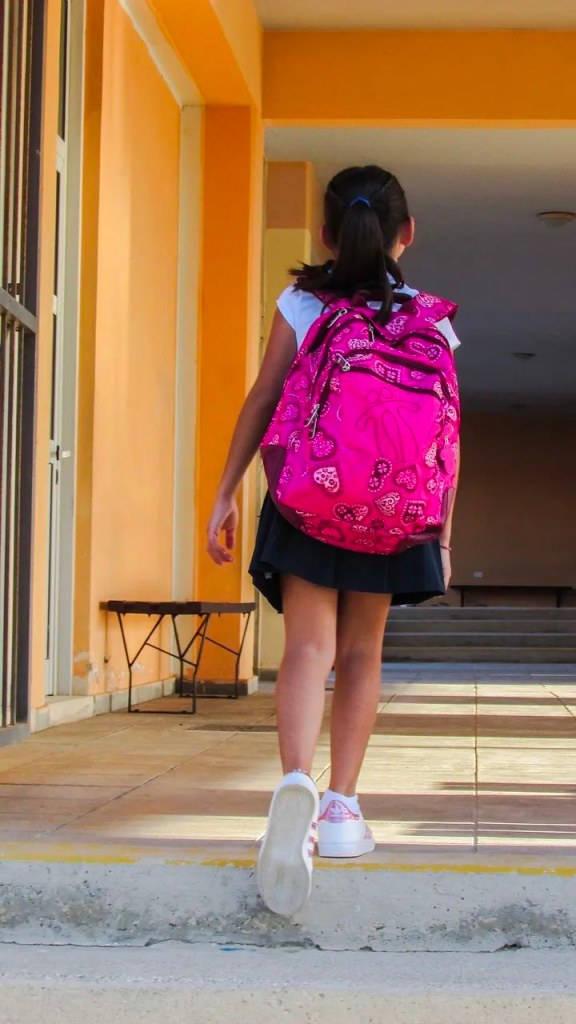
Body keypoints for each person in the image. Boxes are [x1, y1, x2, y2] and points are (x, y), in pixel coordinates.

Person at [206, 165, 460, 917]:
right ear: (407, 233)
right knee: (361, 653)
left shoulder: (302, 303)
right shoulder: (433, 319)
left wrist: (225, 491)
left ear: (324, 233)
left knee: (307, 649)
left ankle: (295, 785)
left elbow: (263, 397)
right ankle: (343, 806)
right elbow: (448, 434)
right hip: (392, 509)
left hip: (309, 496)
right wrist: (442, 531)